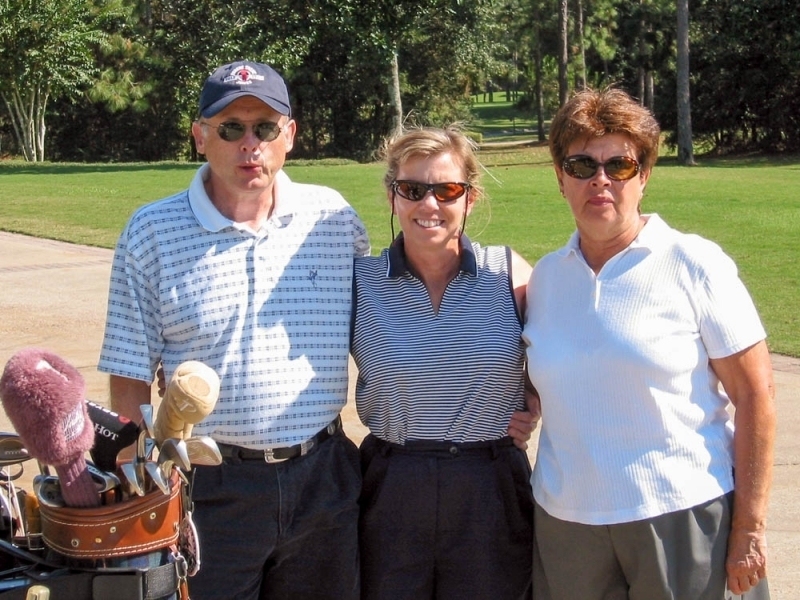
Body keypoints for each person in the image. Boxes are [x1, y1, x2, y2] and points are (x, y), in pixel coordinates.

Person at [98, 60, 370, 600]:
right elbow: (129, 376)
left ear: (289, 137)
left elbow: (387, 323)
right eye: (231, 128)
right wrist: (133, 487)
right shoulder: (152, 231)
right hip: (209, 488)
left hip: (325, 481)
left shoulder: (334, 220)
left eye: (266, 128)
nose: (252, 144)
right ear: (201, 136)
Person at [522, 87, 776, 599]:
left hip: (680, 514)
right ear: (559, 178)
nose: (600, 180)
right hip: (566, 523)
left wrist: (748, 527)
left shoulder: (694, 263)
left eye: (618, 165)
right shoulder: (546, 278)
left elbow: (756, 397)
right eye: (580, 165)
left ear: (643, 176)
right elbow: (549, 383)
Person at [351, 125, 537, 599]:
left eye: (447, 190)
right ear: (393, 198)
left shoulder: (509, 272)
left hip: (489, 486)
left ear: (470, 198)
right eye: (412, 190)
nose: (428, 205)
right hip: (393, 483)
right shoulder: (361, 283)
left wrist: (535, 399)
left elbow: (567, 351)